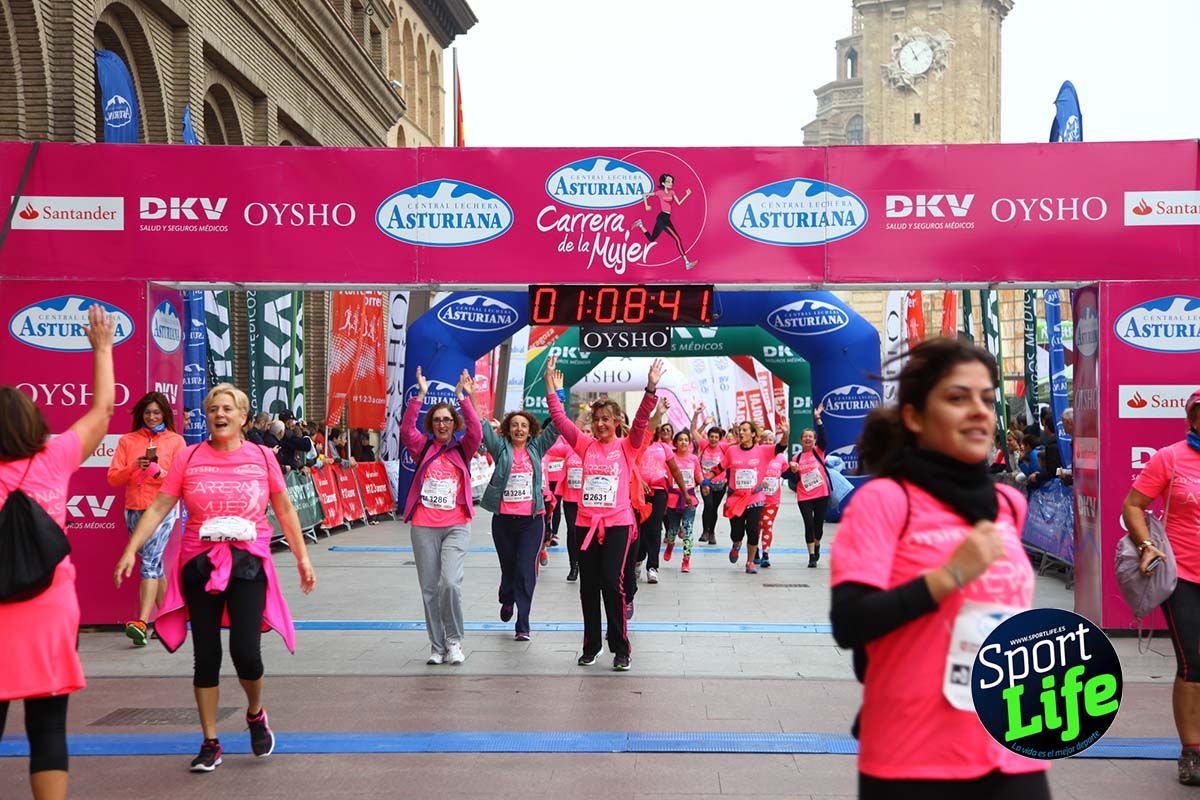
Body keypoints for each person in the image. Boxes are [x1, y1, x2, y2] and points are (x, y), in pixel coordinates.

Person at [830, 338, 1047, 800]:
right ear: (913, 416)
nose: (979, 411)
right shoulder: (885, 501)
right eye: (957, 397)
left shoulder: (1008, 504)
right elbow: (850, 622)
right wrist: (949, 576)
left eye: (987, 399)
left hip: (1011, 745)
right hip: (915, 755)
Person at [115, 383, 316, 773]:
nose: (219, 415)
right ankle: (210, 742)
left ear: (243, 417)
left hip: (247, 564)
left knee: (245, 652)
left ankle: (256, 714)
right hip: (199, 564)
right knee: (205, 657)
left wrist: (302, 558)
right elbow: (160, 506)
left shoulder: (261, 456)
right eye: (213, 409)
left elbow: (285, 510)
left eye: (227, 409)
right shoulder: (189, 457)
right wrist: (130, 549)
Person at [0, 305, 113, 800]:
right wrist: (102, 350)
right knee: (47, 727)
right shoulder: (55, 456)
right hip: (51, 607)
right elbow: (102, 410)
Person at [545, 355, 662, 671]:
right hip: (585, 524)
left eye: (606, 419)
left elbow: (640, 422)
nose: (600, 424)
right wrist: (552, 390)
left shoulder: (627, 446)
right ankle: (591, 645)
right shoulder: (584, 445)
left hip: (618, 525)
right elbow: (560, 421)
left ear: (616, 422)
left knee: (612, 582)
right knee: (588, 587)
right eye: (596, 419)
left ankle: (620, 647)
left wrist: (650, 388)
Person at [1122, 388, 1200, 785]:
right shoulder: (1170, 458)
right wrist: (1147, 545)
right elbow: (1132, 505)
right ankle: (1192, 752)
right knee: (1193, 663)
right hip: (1183, 573)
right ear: (1192, 418)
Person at [400, 367, 483, 666]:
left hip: (456, 525)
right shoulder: (423, 447)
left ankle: (454, 641)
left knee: (450, 583)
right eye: (437, 420)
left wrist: (464, 398)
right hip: (423, 526)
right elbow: (407, 431)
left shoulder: (463, 448)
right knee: (430, 589)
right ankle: (437, 647)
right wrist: (419, 397)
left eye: (447, 420)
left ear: (454, 423)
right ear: (431, 425)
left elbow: (477, 431)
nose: (442, 424)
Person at [469, 392, 560, 641]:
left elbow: (558, 423)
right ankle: (507, 596)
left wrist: (557, 393)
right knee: (509, 568)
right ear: (508, 430)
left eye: (524, 425)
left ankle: (523, 623)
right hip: (504, 522)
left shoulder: (537, 448)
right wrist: (469, 396)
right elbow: (482, 424)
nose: (519, 429)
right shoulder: (500, 449)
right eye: (515, 425)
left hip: (532, 520)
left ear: (531, 431)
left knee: (525, 570)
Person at [107, 391, 187, 646]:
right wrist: (134, 467)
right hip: (133, 509)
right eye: (148, 412)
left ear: (164, 413)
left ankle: (142, 623)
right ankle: (170, 620)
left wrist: (159, 472)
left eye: (156, 412)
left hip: (163, 510)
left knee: (150, 564)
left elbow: (182, 478)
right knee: (155, 565)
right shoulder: (127, 441)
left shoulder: (176, 441)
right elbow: (113, 478)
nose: (152, 417)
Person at [713, 419, 789, 574]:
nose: (741, 433)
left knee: (753, 530)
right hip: (735, 498)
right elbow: (720, 467)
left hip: (756, 497)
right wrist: (706, 479)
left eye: (745, 430)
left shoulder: (763, 450)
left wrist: (786, 433)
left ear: (753, 434)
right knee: (737, 532)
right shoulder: (732, 451)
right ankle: (736, 545)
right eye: (740, 430)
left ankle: (750, 562)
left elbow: (781, 447)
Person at [635, 414, 690, 584]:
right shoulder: (635, 446)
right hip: (638, 492)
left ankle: (652, 567)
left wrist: (685, 493)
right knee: (639, 529)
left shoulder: (663, 448)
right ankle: (637, 560)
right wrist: (639, 481)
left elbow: (675, 471)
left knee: (654, 528)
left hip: (658, 492)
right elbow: (629, 467)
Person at [789, 404, 832, 568]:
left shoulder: (818, 452)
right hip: (804, 496)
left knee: (818, 526)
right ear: (801, 440)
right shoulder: (796, 456)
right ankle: (811, 555)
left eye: (810, 437)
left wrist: (818, 419)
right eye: (805, 437)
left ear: (814, 441)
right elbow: (794, 481)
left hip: (821, 494)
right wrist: (793, 471)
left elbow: (824, 438)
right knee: (808, 524)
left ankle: (817, 543)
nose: (807, 439)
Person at [632, 173, 698, 269]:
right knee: (678, 239)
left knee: (651, 239)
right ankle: (687, 263)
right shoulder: (659, 193)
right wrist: (646, 205)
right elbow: (644, 194)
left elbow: (679, 203)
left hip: (666, 218)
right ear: (663, 183)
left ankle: (640, 224)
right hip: (662, 218)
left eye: (671, 181)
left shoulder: (672, 192)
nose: (670, 183)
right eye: (668, 181)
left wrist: (687, 195)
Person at [663, 430, 702, 573]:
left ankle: (686, 559)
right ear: (675, 443)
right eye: (680, 440)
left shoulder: (693, 459)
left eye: (686, 440)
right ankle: (670, 544)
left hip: (690, 500)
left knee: (688, 529)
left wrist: (705, 484)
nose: (684, 442)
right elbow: (665, 476)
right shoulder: (670, 458)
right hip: (673, 499)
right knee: (673, 529)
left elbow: (698, 474)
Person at [556, 436, 586, 583]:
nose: (584, 434)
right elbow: (550, 449)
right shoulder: (568, 449)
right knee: (572, 531)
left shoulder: (593, 449)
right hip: (570, 499)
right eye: (582, 432)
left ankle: (586, 563)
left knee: (585, 533)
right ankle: (573, 565)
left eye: (587, 431)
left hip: (587, 501)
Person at [757, 433, 789, 569]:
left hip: (773, 498)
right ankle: (754, 552)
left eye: (771, 440)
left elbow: (787, 474)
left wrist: (793, 468)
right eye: (766, 440)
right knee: (756, 526)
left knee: (767, 525)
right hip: (756, 497)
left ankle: (765, 554)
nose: (769, 442)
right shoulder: (757, 454)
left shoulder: (781, 457)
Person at [695, 414, 728, 545]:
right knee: (708, 506)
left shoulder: (724, 447)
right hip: (706, 482)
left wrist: (737, 430)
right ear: (708, 437)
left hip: (720, 483)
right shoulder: (704, 445)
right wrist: (703, 422)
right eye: (711, 436)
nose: (713, 439)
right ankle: (705, 531)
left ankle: (712, 532)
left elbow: (737, 443)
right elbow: (694, 432)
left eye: (716, 437)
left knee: (714, 508)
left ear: (720, 439)